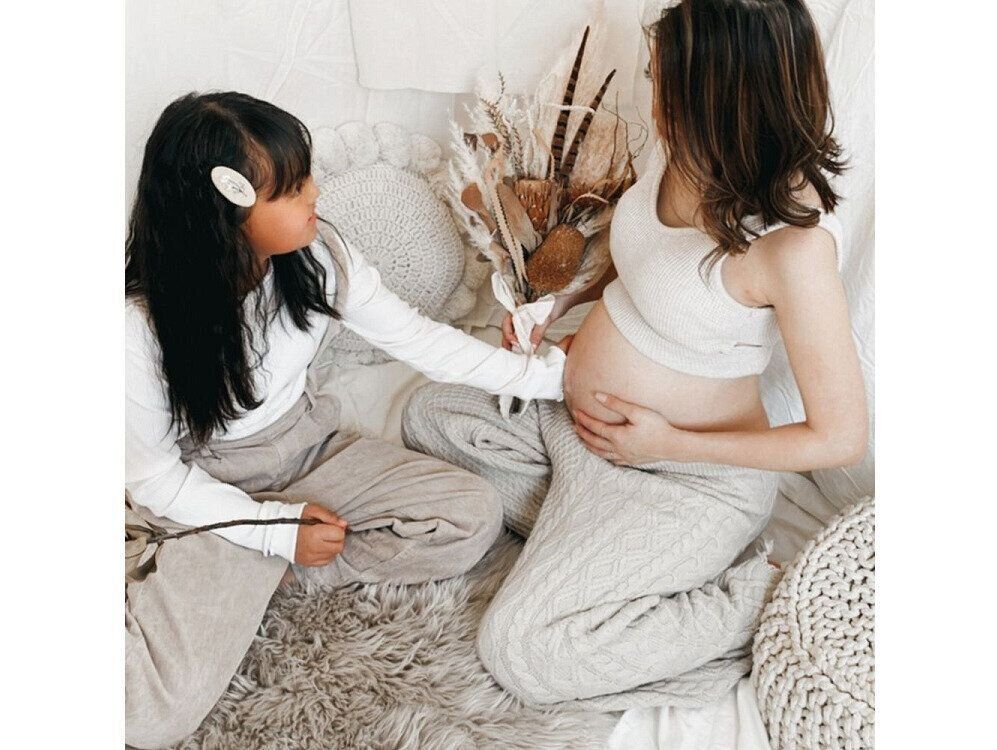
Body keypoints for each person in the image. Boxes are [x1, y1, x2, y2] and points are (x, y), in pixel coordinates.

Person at [402, 0, 868, 710]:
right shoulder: (678, 151)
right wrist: (555, 305)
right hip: (578, 434)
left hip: (686, 478)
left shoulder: (792, 247)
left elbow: (839, 438)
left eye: (665, 84)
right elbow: (641, 261)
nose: (654, 98)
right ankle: (586, 537)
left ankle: (749, 595)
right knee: (430, 413)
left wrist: (665, 441)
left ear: (719, 98)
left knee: (521, 651)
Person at [124, 91, 568, 748]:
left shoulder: (319, 252)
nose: (315, 193)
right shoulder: (138, 331)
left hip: (311, 448)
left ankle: (269, 571)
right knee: (148, 716)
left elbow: (419, 339)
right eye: (291, 188)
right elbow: (155, 480)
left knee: (472, 517)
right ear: (227, 208)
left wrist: (549, 378)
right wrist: (274, 531)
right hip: (211, 492)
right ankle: (252, 561)